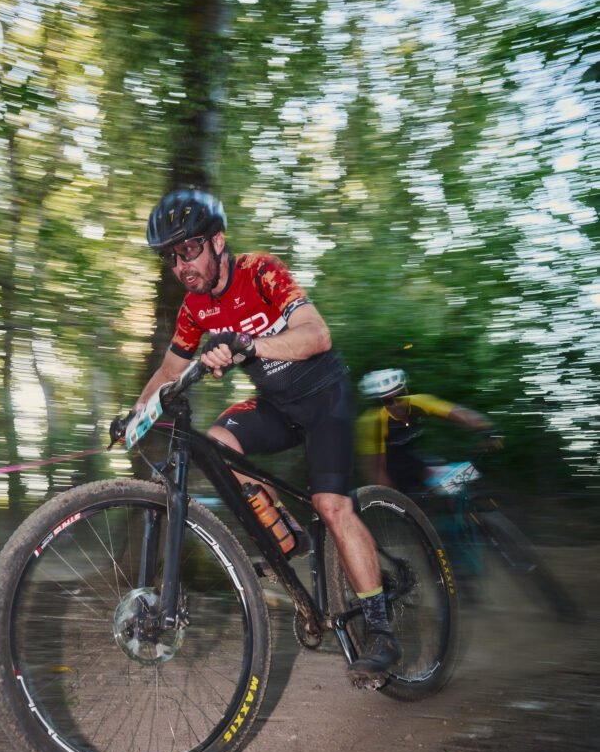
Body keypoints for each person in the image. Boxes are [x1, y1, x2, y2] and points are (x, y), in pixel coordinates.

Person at [133, 187, 398, 679]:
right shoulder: (194, 308)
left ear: (217, 241)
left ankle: (381, 629)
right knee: (217, 444)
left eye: (189, 249)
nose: (181, 265)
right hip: (277, 405)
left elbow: (318, 335)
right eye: (173, 257)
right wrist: (134, 415)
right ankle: (285, 536)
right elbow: (169, 370)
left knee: (331, 505)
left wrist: (248, 345)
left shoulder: (261, 271)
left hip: (324, 397)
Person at [356, 367, 497, 494]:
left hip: (411, 458)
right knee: (409, 493)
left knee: (458, 479)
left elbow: (458, 413)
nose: (396, 404)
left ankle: (457, 510)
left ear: (406, 391)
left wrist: (488, 430)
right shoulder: (372, 422)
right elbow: (374, 468)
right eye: (388, 401)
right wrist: (389, 497)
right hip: (388, 467)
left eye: (399, 396)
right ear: (379, 403)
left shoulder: (419, 402)